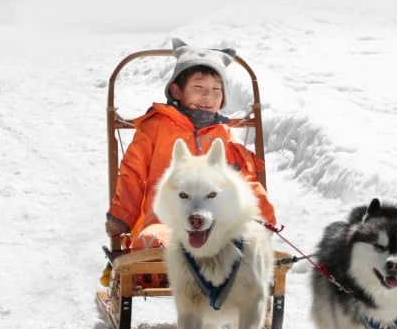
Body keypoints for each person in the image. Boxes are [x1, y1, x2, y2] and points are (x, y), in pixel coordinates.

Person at [106, 38, 277, 253]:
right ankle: (154, 262)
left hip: (216, 222)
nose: (208, 96)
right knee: (156, 240)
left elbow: (242, 179)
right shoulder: (156, 127)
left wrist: (261, 216)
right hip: (164, 217)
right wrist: (122, 216)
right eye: (198, 87)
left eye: (216, 90)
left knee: (241, 242)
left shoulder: (222, 135)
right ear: (177, 91)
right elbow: (133, 173)